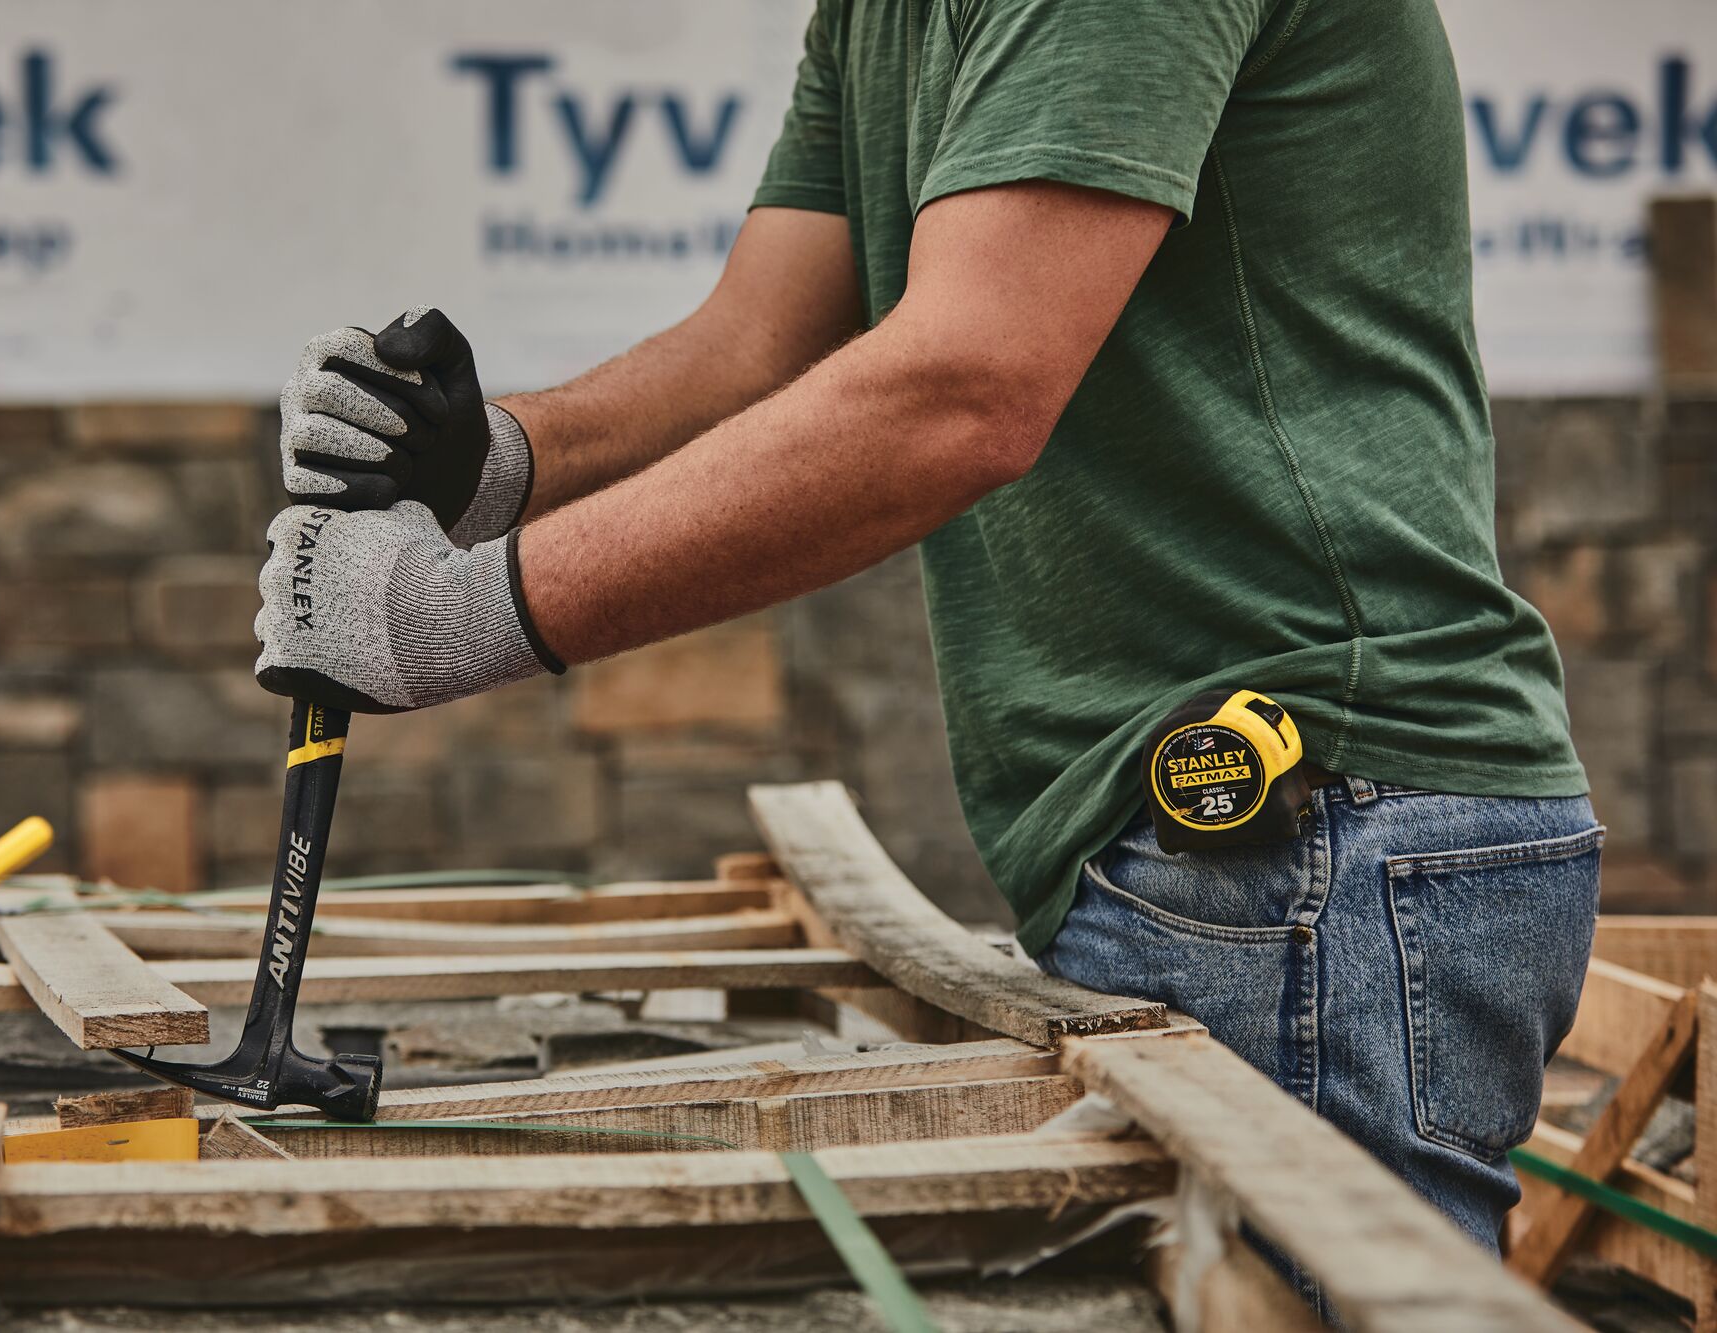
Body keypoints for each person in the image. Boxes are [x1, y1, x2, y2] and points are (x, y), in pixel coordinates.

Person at [252, 0, 1601, 1270]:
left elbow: (964, 387)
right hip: (1219, 849)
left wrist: (456, 614)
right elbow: (760, 340)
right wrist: (498, 461)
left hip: (1319, 829)